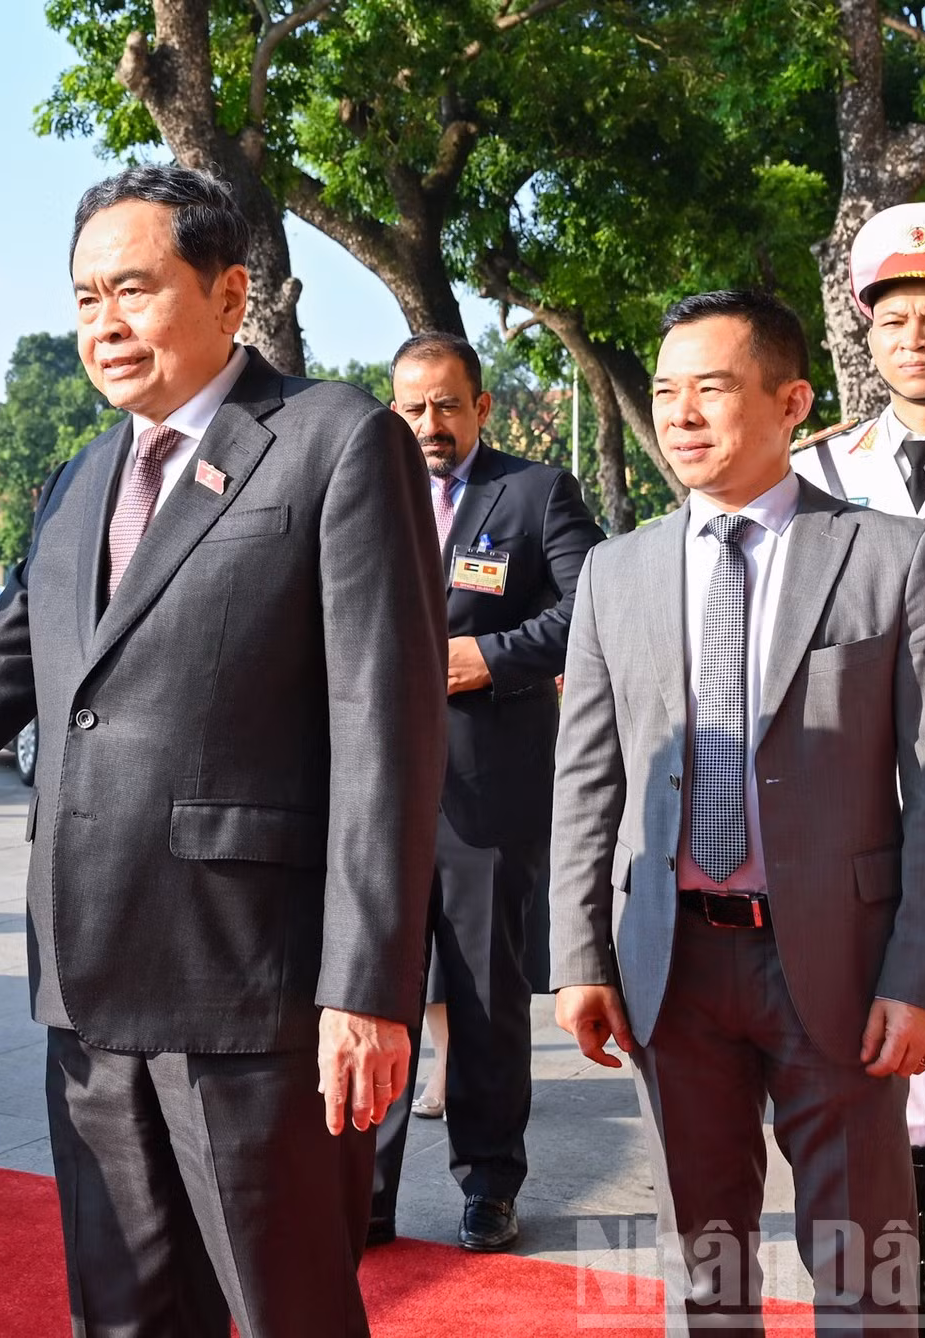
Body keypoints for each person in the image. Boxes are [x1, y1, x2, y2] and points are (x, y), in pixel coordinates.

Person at [0, 164, 447, 1337]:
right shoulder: (81, 475)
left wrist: (367, 989)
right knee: (120, 1313)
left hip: (255, 993)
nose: (105, 322)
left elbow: (385, 728)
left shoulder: (332, 443)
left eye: (134, 289)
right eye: (85, 295)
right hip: (87, 984)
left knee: (279, 1309)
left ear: (228, 290)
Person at [552, 289, 925, 1332]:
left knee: (865, 1264)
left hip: (836, 964)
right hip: (671, 965)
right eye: (664, 392)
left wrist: (923, 979)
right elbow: (584, 781)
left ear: (790, 400)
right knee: (702, 1262)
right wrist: (578, 956)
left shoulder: (886, 556)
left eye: (711, 388)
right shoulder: (617, 572)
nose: (680, 414)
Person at [791, 201, 925, 1330]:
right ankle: (887, 1300)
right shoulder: (817, 472)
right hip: (854, 811)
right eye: (894, 319)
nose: (915, 340)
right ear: (861, 335)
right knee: (872, 1060)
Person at [367, 332, 604, 1252]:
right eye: (412, 406)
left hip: (487, 792)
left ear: (482, 408)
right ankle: (366, 1191)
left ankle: (490, 1182)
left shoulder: (537, 493)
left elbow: (592, 603)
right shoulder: (363, 492)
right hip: (373, 792)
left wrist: (491, 659)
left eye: (446, 405)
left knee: (485, 1000)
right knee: (369, 991)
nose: (429, 423)